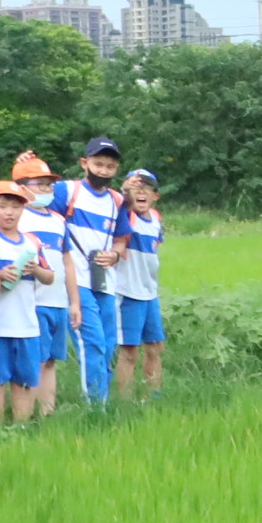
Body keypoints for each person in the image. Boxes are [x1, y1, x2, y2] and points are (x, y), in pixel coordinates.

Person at [0, 180, 54, 423]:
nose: (9, 212)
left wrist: (35, 270)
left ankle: (21, 428)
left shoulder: (32, 242)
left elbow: (50, 277)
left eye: (15, 207)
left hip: (27, 324)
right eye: (3, 206)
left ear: (23, 210)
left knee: (25, 380)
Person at [57, 136, 131, 405]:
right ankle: (95, 408)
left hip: (104, 282)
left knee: (109, 345)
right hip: (75, 280)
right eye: (98, 164)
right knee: (93, 343)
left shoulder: (117, 200)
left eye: (110, 166)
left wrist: (115, 254)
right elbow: (34, 205)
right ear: (84, 163)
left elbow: (122, 239)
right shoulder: (66, 191)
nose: (103, 171)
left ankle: (104, 400)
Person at [12, 153, 76, 418]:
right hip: (32, 302)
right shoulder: (17, 217)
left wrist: (74, 302)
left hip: (57, 301)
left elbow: (68, 262)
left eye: (50, 185)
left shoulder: (59, 221)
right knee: (34, 360)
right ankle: (29, 412)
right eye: (40, 184)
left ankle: (47, 412)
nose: (48, 190)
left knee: (51, 361)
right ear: (23, 187)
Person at [111, 170, 166, 399]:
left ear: (155, 195)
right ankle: (126, 399)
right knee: (129, 351)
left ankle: (153, 397)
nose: (141, 192)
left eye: (147, 188)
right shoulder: (125, 217)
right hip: (128, 293)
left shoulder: (156, 218)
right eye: (136, 187)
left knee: (155, 347)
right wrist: (125, 195)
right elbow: (118, 208)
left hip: (149, 293)